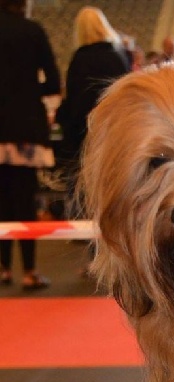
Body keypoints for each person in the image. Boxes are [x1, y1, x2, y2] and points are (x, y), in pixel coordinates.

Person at [0, 0, 61, 289]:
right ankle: (30, 270)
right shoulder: (32, 31)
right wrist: (26, 87)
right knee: (24, 200)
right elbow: (52, 83)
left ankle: (2, 269)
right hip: (24, 127)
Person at [56, 6, 129, 223]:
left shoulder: (80, 58)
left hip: (84, 135)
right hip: (116, 133)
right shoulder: (119, 55)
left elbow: (74, 101)